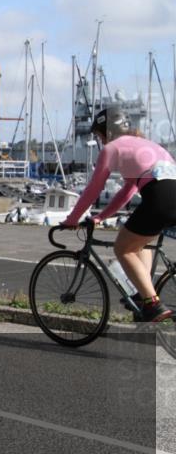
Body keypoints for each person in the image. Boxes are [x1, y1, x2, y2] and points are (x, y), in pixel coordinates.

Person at [62, 108, 176, 322]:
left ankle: (152, 303)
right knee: (138, 243)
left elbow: (94, 188)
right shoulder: (146, 145)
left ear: (107, 133)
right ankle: (144, 296)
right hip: (170, 194)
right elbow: (128, 191)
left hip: (160, 198)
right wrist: (100, 217)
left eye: (99, 135)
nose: (100, 140)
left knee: (122, 248)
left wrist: (72, 219)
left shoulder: (112, 148)